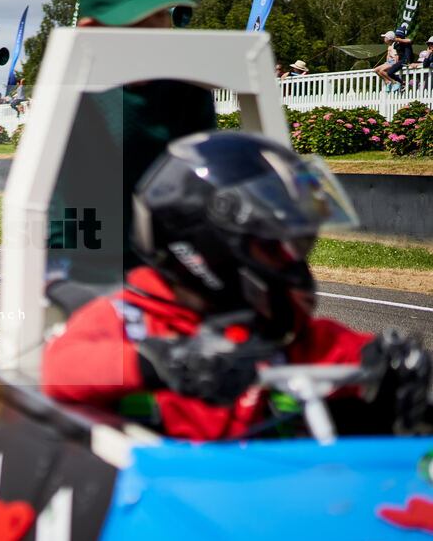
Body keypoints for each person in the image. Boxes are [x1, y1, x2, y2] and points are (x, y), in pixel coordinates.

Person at [42, 132, 432, 441]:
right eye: (276, 249)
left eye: (300, 248)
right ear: (205, 247)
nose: (294, 268)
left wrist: (398, 368)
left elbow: (347, 352)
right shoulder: (128, 320)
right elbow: (59, 368)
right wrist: (158, 362)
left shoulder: (285, 334)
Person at [47, 0, 216, 284]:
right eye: (136, 21)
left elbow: (204, 180)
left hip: (178, 269)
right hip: (93, 269)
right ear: (91, 29)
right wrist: (63, 280)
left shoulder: (188, 88)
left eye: (161, 15)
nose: (154, 30)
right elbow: (59, 215)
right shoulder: (78, 99)